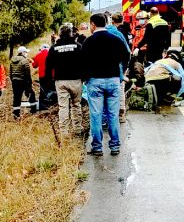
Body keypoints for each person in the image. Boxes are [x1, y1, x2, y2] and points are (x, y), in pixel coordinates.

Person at [82, 13, 130, 156]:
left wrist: (86, 77)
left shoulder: (89, 42)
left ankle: (97, 147)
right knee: (112, 115)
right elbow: (126, 55)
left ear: (93, 24)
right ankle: (114, 146)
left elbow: (82, 61)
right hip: (114, 80)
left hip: (95, 81)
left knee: (96, 115)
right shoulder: (115, 39)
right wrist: (122, 70)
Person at [47, 24, 84, 137]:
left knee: (63, 106)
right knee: (76, 105)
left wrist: (49, 81)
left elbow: (49, 65)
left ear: (60, 34)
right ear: (71, 33)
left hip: (61, 80)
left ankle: (64, 132)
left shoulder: (54, 48)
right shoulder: (78, 46)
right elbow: (84, 62)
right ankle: (77, 129)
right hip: (76, 80)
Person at [105, 13, 132, 123]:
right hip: (119, 67)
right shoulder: (123, 33)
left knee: (104, 93)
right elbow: (127, 52)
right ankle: (120, 115)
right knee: (119, 90)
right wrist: (124, 68)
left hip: (102, 69)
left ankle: (105, 117)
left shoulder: (103, 32)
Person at [10, 46, 38, 119]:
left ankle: (16, 114)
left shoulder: (12, 60)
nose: (26, 54)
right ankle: (33, 110)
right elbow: (27, 74)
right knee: (31, 94)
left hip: (15, 81)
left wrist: (12, 80)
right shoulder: (25, 61)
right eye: (26, 52)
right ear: (22, 53)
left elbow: (10, 73)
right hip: (23, 81)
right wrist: (30, 83)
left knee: (16, 97)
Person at [32, 44, 54, 110]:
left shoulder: (39, 55)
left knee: (43, 90)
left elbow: (34, 65)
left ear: (41, 48)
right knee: (52, 89)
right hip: (52, 75)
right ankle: (52, 104)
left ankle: (42, 105)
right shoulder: (52, 54)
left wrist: (32, 61)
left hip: (42, 76)